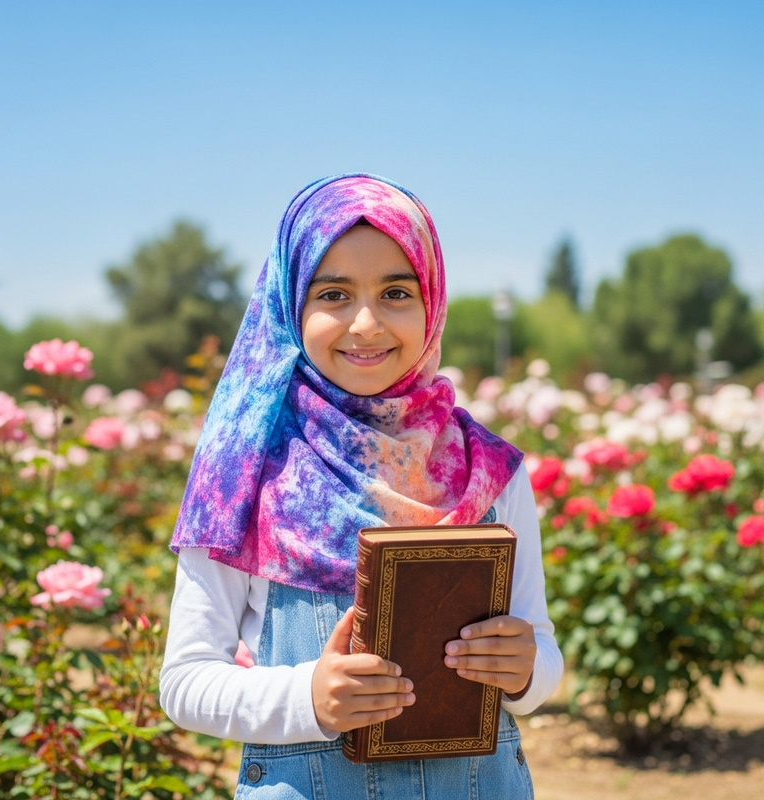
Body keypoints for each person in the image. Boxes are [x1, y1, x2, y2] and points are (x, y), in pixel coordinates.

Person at [160, 173, 563, 799]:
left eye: (397, 291)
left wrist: (526, 671)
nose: (366, 323)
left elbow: (539, 652)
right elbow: (185, 683)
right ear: (292, 304)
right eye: (334, 295)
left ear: (432, 303)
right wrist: (310, 699)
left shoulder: (487, 470)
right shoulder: (243, 470)